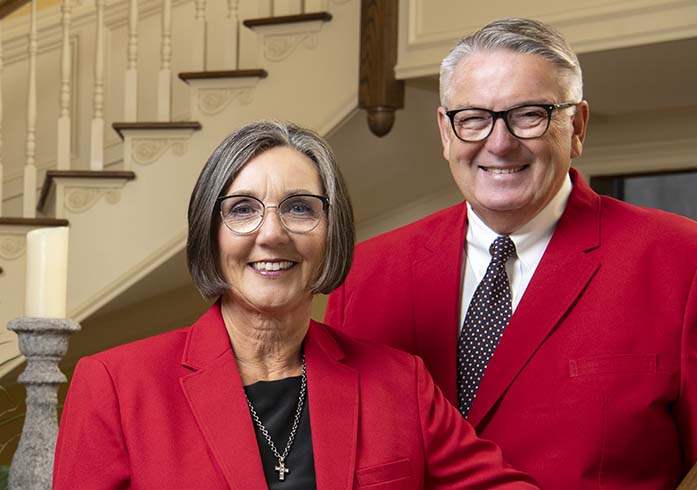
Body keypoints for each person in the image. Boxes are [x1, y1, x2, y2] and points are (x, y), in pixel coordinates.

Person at [325, 18, 697, 489]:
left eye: (529, 114)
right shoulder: (361, 274)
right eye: (472, 118)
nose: (500, 142)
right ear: (446, 133)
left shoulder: (687, 264)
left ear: (577, 127)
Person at [52, 121, 539, 489]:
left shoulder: (400, 383)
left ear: (332, 233)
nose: (272, 234)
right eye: (242, 210)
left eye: (300, 207)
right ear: (210, 233)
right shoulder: (115, 387)